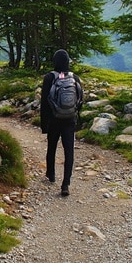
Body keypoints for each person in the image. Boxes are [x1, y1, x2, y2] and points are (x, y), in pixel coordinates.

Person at [40, 49, 83, 196]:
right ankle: (65, 184)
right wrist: (75, 115)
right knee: (69, 151)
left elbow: (44, 103)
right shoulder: (74, 77)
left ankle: (51, 174)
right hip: (70, 120)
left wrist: (44, 124)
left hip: (54, 119)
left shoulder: (50, 77)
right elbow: (80, 99)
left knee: (52, 146)